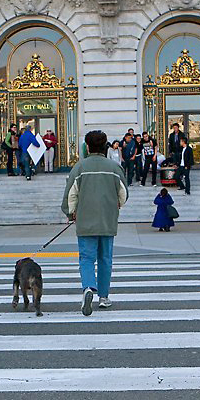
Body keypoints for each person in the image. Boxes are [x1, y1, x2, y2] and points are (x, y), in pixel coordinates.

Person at [62, 130, 128, 316]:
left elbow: (71, 195)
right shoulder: (114, 168)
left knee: (86, 258)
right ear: (105, 146)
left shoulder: (80, 168)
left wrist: (70, 213)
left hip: (85, 219)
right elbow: (123, 194)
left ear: (88, 146)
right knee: (105, 258)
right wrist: (116, 206)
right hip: (107, 219)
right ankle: (104, 297)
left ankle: (88, 288)